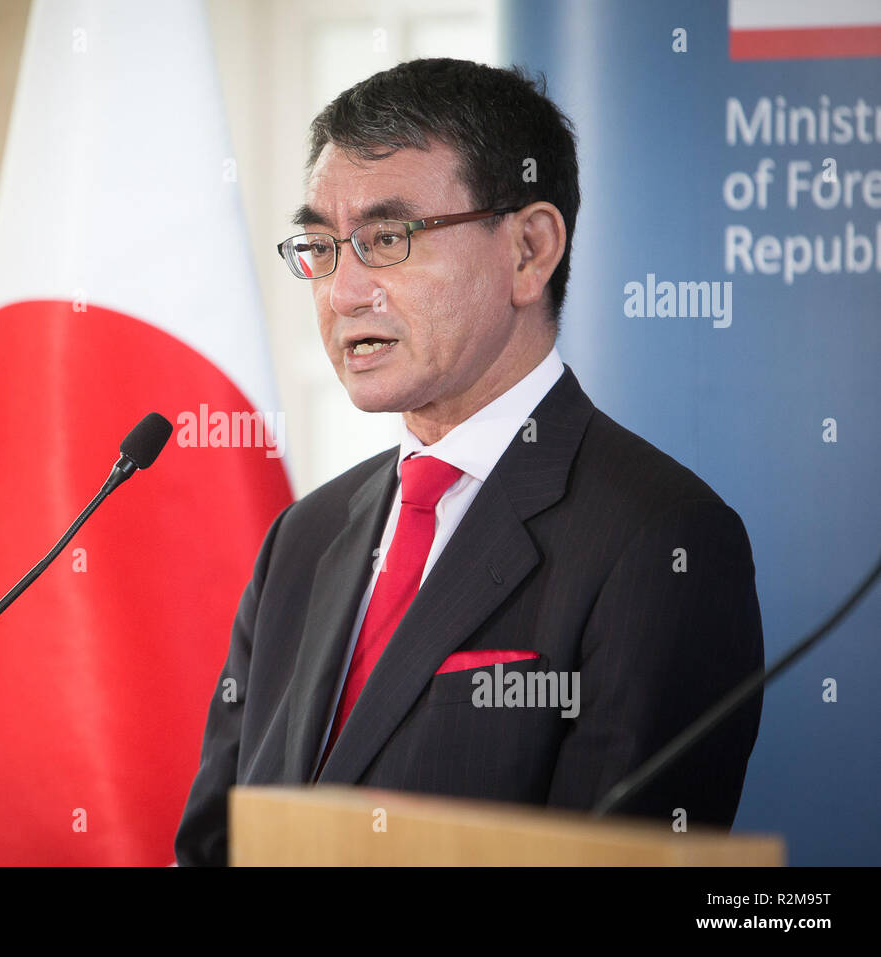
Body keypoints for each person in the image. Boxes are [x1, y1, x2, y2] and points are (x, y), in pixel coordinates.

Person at [174, 58, 763, 867]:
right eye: (320, 244)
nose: (343, 292)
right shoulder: (301, 539)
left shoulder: (661, 539)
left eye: (387, 239)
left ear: (529, 250)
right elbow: (216, 843)